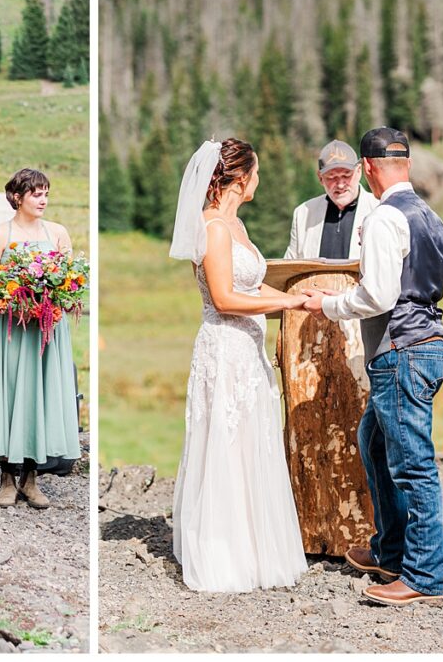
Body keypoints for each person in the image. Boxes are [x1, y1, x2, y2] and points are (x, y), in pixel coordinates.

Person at [304, 127, 443, 607]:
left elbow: (379, 296)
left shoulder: (387, 217)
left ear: (367, 169)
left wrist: (327, 303)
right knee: (372, 441)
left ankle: (424, 576)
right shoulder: (431, 216)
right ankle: (388, 549)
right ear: (405, 163)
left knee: (413, 467)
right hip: (426, 344)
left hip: (400, 351)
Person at [168, 138, 309, 592]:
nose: (260, 180)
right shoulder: (212, 228)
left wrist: (298, 301)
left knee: (252, 439)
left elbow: (254, 289)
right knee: (226, 443)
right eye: (258, 172)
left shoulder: (237, 226)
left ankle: (254, 546)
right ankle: (223, 553)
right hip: (225, 347)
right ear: (241, 177)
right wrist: (286, 302)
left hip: (247, 350)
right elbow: (227, 298)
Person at [0, 169, 81, 509]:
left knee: (40, 395)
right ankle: (6, 477)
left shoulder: (58, 233)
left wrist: (53, 297)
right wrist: (15, 295)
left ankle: (31, 478)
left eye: (46, 193)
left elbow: (70, 280)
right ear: (17, 197)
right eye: (35, 193)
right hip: (12, 329)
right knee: (12, 392)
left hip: (47, 329)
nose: (43, 199)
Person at [284, 140, 379, 260]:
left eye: (346, 175)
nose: (340, 185)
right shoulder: (304, 213)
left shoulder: (378, 209)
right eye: (331, 177)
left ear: (359, 171)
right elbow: (289, 266)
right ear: (320, 178)